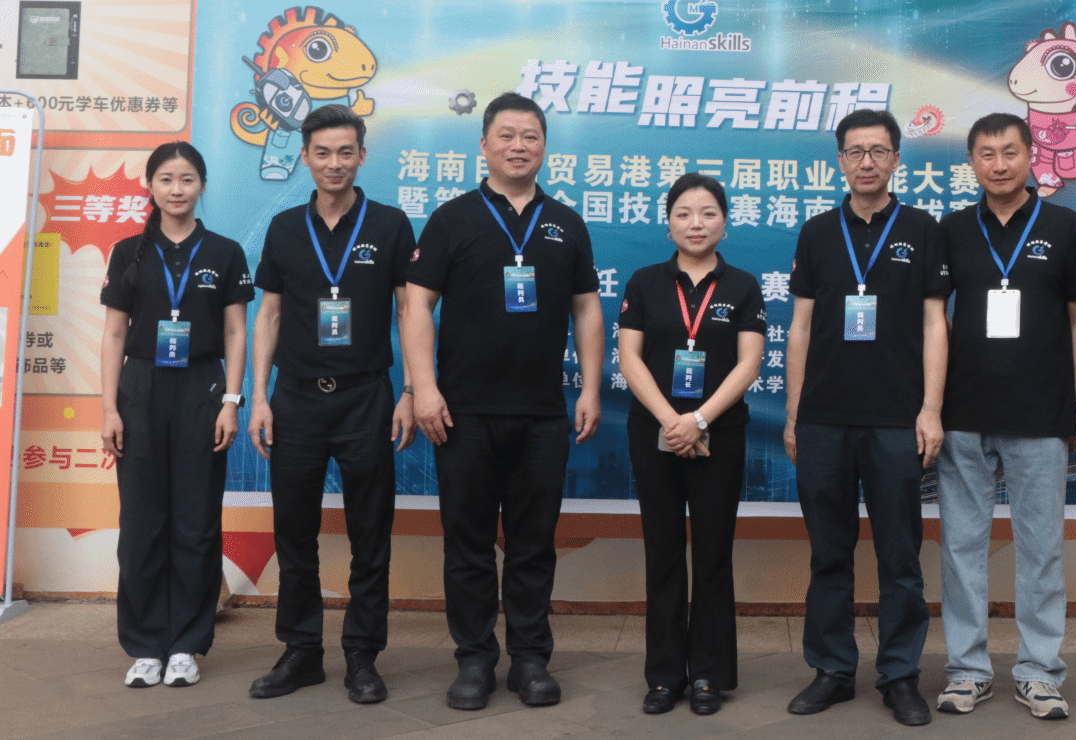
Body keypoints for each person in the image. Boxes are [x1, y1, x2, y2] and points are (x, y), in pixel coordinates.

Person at [402, 92, 604, 711]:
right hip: (462, 412)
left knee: (532, 542)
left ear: (544, 147)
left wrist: (590, 387)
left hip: (541, 413)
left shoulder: (565, 222)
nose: (519, 146)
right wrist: (424, 387)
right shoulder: (452, 218)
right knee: (466, 543)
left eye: (531, 136)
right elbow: (417, 305)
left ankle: (531, 659)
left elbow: (587, 310)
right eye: (507, 136)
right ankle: (473, 660)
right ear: (484, 145)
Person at [782, 108, 949, 725]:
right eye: (855, 152)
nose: (867, 162)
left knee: (900, 558)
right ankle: (831, 670)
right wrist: (794, 414)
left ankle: (900, 675)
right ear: (840, 161)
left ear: (897, 159)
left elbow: (935, 324)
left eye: (879, 151)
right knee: (829, 553)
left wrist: (930, 409)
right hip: (824, 419)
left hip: (896, 420)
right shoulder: (817, 232)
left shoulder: (922, 229)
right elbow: (800, 327)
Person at [247, 105, 418, 704]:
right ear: (305, 157)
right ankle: (301, 651)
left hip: (366, 397)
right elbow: (268, 315)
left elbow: (410, 311)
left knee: (371, 534)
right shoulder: (284, 227)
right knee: (294, 532)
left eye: (346, 152)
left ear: (362, 156)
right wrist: (259, 398)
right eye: (322, 153)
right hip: (295, 399)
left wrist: (410, 391)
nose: (334, 163)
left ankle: (363, 655)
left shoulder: (391, 225)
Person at [934, 113, 1076, 719]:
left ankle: (1039, 672)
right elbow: (935, 319)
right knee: (961, 547)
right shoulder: (953, 228)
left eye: (1009, 152)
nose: (998, 165)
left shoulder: (1064, 225)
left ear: (1030, 156)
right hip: (963, 412)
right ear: (971, 162)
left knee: (1041, 548)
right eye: (986, 154)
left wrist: (1074, 401)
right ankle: (967, 670)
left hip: (1040, 413)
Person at [99, 141, 252, 688]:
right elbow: (114, 334)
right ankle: (145, 646)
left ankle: (186, 643)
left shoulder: (225, 252)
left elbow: (235, 331)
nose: (177, 189)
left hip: (202, 387)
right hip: (140, 389)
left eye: (187, 179)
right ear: (150, 186)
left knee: (195, 521)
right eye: (166, 179)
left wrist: (231, 401)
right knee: (142, 523)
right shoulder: (128, 252)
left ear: (202, 185)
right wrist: (110, 407)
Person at [617, 174, 766, 716]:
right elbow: (629, 357)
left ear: (725, 222)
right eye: (683, 213)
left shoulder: (743, 286)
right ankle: (663, 677)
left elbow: (749, 363)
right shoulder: (644, 282)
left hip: (719, 433)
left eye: (707, 213)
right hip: (653, 431)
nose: (695, 224)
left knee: (712, 556)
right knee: (661, 553)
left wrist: (699, 419)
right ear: (668, 224)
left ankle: (708, 674)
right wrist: (671, 422)